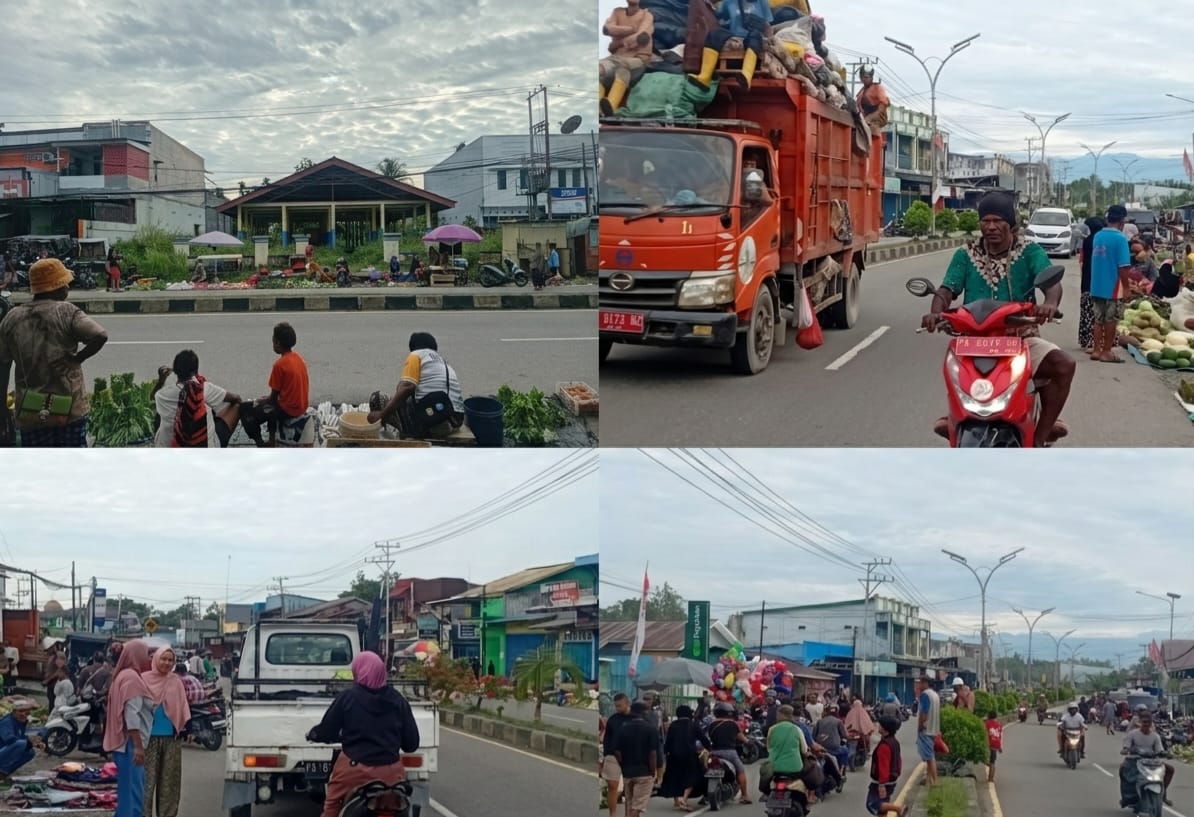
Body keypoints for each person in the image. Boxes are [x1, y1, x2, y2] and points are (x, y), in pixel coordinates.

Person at [920, 191, 1073, 445]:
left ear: (1011, 223)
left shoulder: (1029, 251)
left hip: (1020, 338)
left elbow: (1050, 281)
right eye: (985, 221)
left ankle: (1042, 433)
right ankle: (956, 417)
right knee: (954, 369)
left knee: (1063, 365)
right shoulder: (966, 254)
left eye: (998, 221)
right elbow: (947, 290)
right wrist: (936, 312)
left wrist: (1049, 304)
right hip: (972, 340)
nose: (990, 227)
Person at [0, 258, 109, 447]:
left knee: (38, 466)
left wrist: (2, 404)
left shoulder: (12, 317)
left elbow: (3, 365)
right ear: (56, 287)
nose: (68, 288)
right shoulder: (66, 312)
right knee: (71, 464)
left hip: (30, 411)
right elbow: (100, 335)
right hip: (69, 409)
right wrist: (78, 358)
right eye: (65, 283)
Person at [307, 651, 421, 817]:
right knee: (400, 806)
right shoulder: (398, 700)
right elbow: (411, 744)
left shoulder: (348, 698)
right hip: (390, 773)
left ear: (358, 671)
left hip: (353, 770)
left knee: (332, 804)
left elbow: (327, 731)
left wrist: (314, 734)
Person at [368, 332, 464, 439]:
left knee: (378, 398)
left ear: (412, 347)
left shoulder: (416, 355)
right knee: (406, 399)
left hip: (437, 422)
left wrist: (381, 415)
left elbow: (407, 387)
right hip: (456, 421)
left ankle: (399, 436)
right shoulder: (442, 361)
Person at [151, 349, 247, 448]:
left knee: (159, 414)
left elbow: (152, 398)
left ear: (175, 371)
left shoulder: (162, 395)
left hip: (170, 449)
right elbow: (236, 398)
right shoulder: (203, 388)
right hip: (205, 448)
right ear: (195, 371)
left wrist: (160, 381)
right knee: (236, 406)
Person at [104, 640, 155, 817]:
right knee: (134, 794)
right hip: (130, 745)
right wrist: (139, 747)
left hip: (123, 745)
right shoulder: (132, 679)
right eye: (146, 653)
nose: (148, 658)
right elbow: (131, 716)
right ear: (136, 655)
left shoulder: (123, 675)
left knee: (126, 793)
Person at [239, 322, 310, 446]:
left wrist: (259, 401)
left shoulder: (279, 365)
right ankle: (272, 438)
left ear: (276, 342)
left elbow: (272, 399)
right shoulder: (298, 358)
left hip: (288, 410)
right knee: (269, 407)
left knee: (245, 409)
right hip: (301, 406)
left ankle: (260, 442)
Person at [141, 647, 189, 817]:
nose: (167, 663)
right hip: (148, 740)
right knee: (146, 783)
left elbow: (183, 707)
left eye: (170, 660)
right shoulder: (143, 680)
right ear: (155, 659)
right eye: (164, 659)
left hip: (171, 739)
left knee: (169, 783)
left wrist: (184, 728)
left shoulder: (175, 681)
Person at [1089, 204, 1133, 364]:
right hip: (1112, 287)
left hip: (1096, 285)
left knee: (1098, 319)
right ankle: (1107, 351)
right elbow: (1123, 267)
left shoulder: (1098, 236)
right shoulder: (1120, 239)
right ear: (1122, 222)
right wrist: (1127, 288)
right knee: (1111, 319)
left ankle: (1096, 350)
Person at [599, 0, 655, 116]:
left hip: (638, 59)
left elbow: (642, 37)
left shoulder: (647, 15)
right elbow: (607, 29)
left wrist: (618, 41)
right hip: (616, 57)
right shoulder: (617, 12)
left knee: (623, 67)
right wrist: (631, 29)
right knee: (599, 69)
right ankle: (598, 108)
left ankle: (611, 106)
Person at [660, 704, 709, 811]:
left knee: (674, 777)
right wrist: (710, 747)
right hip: (689, 755)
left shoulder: (673, 725)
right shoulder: (693, 724)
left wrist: (665, 752)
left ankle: (676, 801)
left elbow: (668, 742)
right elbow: (703, 738)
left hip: (674, 755)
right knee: (692, 777)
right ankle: (684, 799)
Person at [615, 701, 659, 817]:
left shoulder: (623, 728)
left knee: (630, 805)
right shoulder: (650, 729)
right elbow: (653, 753)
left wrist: (623, 764)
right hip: (644, 772)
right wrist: (653, 771)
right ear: (643, 713)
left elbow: (617, 751)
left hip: (627, 772)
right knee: (637, 807)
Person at [1120, 711, 1174, 807]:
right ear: (1140, 722)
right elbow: (1126, 745)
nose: (1146, 724)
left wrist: (1165, 753)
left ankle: (1163, 794)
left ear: (1151, 723)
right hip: (1135, 760)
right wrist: (1125, 749)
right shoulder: (1133, 734)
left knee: (1170, 769)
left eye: (1148, 722)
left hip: (1152, 762)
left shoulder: (1155, 736)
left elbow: (1160, 749)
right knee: (1123, 769)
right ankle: (1126, 797)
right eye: (1144, 722)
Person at [707, 702, 752, 804]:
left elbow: (709, 737)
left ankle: (705, 795)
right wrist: (748, 742)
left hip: (714, 752)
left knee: (706, 769)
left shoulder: (711, 724)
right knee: (740, 770)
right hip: (730, 753)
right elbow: (742, 738)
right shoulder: (733, 724)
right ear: (729, 713)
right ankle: (745, 795)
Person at [760, 704, 804, 797]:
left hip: (775, 767)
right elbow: (804, 749)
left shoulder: (772, 729)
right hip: (795, 767)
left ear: (781, 715)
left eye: (777, 715)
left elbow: (769, 748)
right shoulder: (797, 729)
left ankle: (767, 795)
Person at [867, 716, 907, 817]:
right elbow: (899, 760)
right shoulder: (894, 742)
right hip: (891, 778)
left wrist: (881, 785)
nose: (878, 727)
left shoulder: (884, 746)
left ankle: (898, 808)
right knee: (882, 807)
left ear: (885, 729)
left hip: (883, 781)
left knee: (873, 803)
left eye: (880, 726)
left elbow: (883, 766)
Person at [600, 693, 631, 817]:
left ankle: (628, 814)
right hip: (613, 755)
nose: (618, 708)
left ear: (627, 703)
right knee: (612, 786)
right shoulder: (613, 719)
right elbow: (607, 739)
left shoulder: (635, 718)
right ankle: (612, 814)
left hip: (631, 756)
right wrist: (606, 756)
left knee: (629, 789)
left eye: (620, 706)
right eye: (616, 706)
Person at [1078, 216, 1106, 352]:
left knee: (1087, 310)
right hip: (1100, 279)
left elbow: (1084, 260)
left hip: (1088, 277)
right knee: (1098, 313)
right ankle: (1098, 340)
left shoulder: (1088, 240)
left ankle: (1087, 339)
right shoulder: (1101, 240)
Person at [0, 699, 39, 776]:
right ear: (14, 712)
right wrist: (28, 741)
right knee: (21, 743)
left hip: (4, 751)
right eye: (21, 711)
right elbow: (9, 739)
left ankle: (4, 772)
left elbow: (21, 737)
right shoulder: (7, 722)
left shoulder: (20, 722)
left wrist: (34, 743)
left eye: (26, 712)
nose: (24, 714)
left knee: (30, 752)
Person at [915, 675, 940, 786]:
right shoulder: (935, 695)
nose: (919, 685)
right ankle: (929, 779)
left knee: (930, 757)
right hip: (934, 729)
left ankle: (934, 781)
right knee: (930, 754)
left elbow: (923, 713)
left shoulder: (925, 695)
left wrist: (920, 727)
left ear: (925, 683)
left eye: (920, 683)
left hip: (926, 729)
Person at [813, 703, 851, 777]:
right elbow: (844, 735)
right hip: (834, 749)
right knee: (845, 750)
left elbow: (814, 736)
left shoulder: (819, 721)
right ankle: (841, 771)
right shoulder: (838, 721)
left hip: (820, 749)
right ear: (837, 712)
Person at [844, 698, 877, 768]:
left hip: (852, 734)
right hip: (861, 735)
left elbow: (846, 724)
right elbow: (868, 725)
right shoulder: (863, 713)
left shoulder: (850, 713)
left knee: (851, 746)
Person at [856, 66, 891, 131]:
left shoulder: (878, 88)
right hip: (863, 120)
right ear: (861, 78)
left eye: (869, 77)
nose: (867, 79)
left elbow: (882, 108)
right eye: (865, 77)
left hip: (875, 121)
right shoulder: (860, 93)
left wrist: (869, 118)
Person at [984, 710, 1002, 783]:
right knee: (992, 762)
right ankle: (991, 778)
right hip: (996, 744)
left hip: (990, 743)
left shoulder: (987, 723)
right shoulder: (999, 724)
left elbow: (985, 734)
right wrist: (1000, 747)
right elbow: (1000, 736)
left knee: (986, 760)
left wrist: (986, 744)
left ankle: (990, 777)